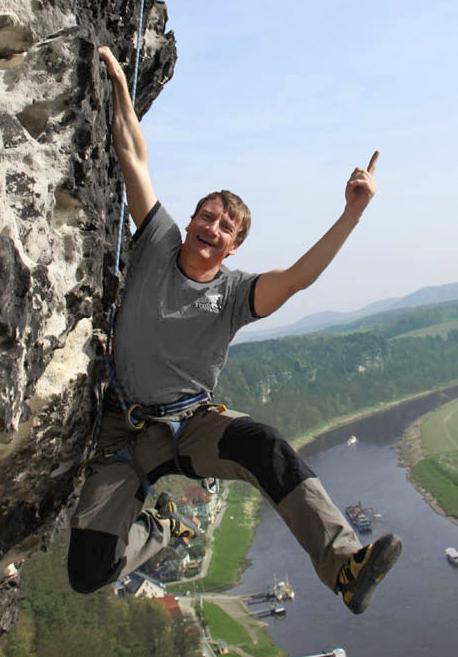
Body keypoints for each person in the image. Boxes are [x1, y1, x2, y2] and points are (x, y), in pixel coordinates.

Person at [68, 46, 402, 615]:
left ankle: (343, 563)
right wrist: (122, 87)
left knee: (264, 445)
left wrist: (353, 213)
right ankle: (161, 527)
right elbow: (132, 154)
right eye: (207, 215)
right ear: (191, 219)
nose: (212, 227)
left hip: (190, 425)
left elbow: (298, 278)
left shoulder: (234, 294)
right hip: (123, 433)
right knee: (87, 571)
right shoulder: (156, 241)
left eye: (226, 226)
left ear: (233, 247)